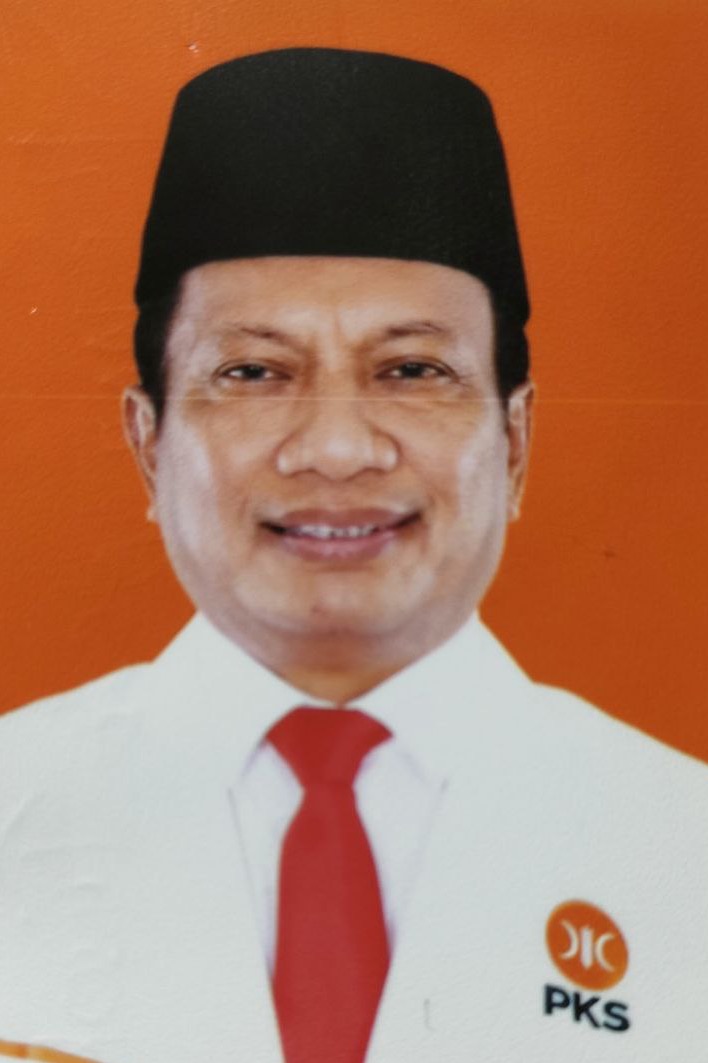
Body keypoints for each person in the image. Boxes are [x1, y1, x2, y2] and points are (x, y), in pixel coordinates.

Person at [0, 47, 706, 1063]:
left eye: (411, 369)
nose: (336, 449)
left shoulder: (685, 844)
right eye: (253, 372)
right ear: (147, 443)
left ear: (514, 441)